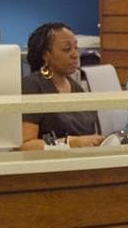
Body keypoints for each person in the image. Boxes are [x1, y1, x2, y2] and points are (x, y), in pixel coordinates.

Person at [18, 22, 103, 150]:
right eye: (67, 49)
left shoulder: (76, 87)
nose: (75, 55)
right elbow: (25, 145)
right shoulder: (33, 86)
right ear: (46, 55)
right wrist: (69, 144)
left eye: (76, 48)